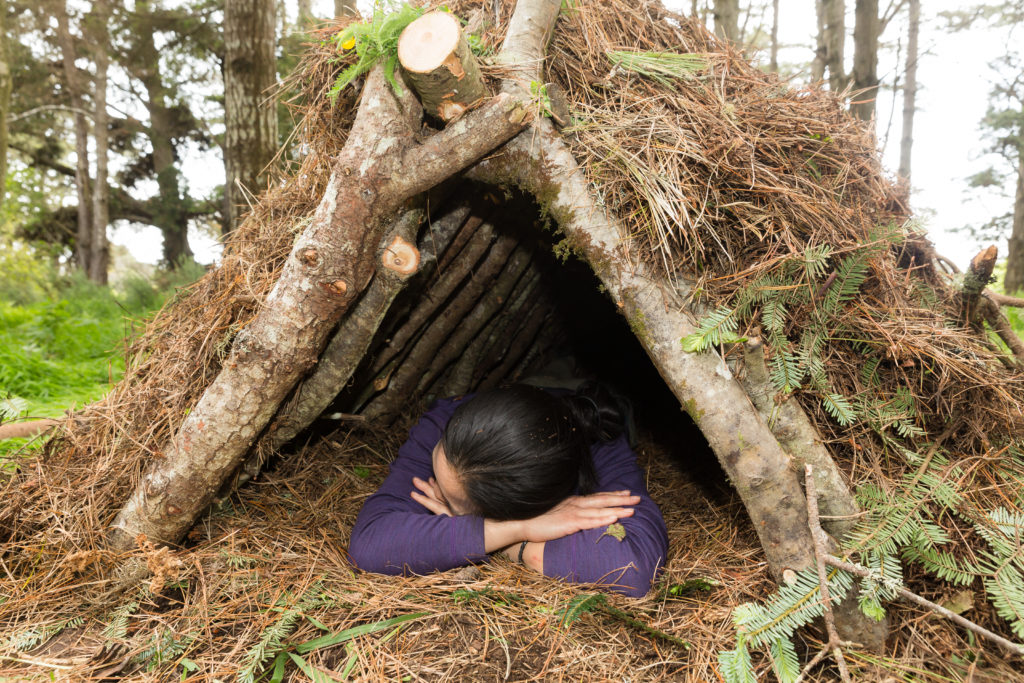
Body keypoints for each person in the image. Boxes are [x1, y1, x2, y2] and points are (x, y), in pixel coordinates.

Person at [347, 383, 668, 597]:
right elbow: (372, 542)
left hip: (598, 407)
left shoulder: (602, 448)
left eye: (456, 502)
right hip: (526, 394)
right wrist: (517, 528)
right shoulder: (447, 421)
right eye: (438, 455)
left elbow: (633, 568)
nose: (439, 493)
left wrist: (484, 538)